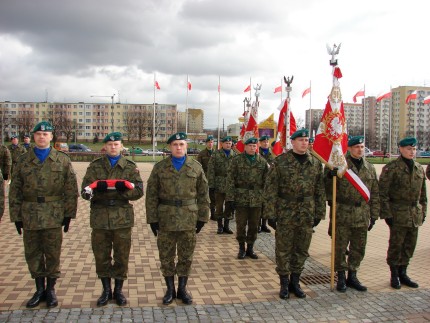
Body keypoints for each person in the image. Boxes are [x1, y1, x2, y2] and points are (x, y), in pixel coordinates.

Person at [9, 121, 78, 308]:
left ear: (51, 137)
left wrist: (68, 214)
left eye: (45, 134)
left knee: (53, 253)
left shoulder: (62, 160)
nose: (41, 137)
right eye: (38, 133)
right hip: (30, 213)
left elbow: (71, 189)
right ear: (33, 136)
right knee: (33, 253)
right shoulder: (23, 160)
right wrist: (16, 217)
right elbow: (15, 190)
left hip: (54, 213)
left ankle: (51, 290)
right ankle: (39, 289)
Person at [146, 132, 209, 305]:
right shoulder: (160, 168)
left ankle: (182, 289)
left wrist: (203, 217)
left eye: (181, 144)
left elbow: (204, 194)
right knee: (166, 255)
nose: (178, 147)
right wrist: (152, 219)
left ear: (186, 146)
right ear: (169, 147)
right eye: (175, 145)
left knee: (186, 255)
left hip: (189, 218)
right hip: (166, 218)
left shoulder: (196, 167)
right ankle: (170, 289)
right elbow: (151, 194)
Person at [81, 132, 144, 306]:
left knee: (121, 256)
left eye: (116, 144)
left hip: (122, 218)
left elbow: (139, 191)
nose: (113, 147)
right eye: (110, 144)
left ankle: (118, 290)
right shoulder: (94, 167)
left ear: (121, 146)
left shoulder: (130, 166)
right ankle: (106, 290)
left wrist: (124, 190)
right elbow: (84, 192)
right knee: (101, 255)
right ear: (105, 147)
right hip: (100, 217)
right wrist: (97, 190)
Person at [263, 129, 325, 299]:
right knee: (283, 249)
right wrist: (270, 214)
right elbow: (270, 190)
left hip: (307, 212)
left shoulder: (315, 163)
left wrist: (319, 213)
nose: (305, 143)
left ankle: (295, 282)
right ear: (293, 142)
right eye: (301, 140)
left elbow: (320, 190)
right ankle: (284, 283)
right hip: (285, 212)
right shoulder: (280, 162)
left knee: (302, 248)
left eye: (306, 140)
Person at [324, 136, 380, 293]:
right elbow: (327, 188)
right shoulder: (339, 165)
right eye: (356, 147)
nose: (360, 149)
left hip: (362, 214)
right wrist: (329, 177)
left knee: (358, 247)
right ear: (348, 148)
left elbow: (374, 193)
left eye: (362, 147)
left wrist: (374, 215)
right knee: (340, 247)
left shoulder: (369, 167)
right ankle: (340, 276)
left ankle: (352, 275)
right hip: (343, 213)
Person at [379, 136, 426, 290]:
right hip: (398, 213)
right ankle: (394, 274)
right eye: (409, 149)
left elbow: (423, 195)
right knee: (396, 245)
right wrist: (387, 214)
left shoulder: (419, 168)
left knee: (409, 245)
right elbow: (383, 193)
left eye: (414, 149)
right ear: (400, 149)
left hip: (414, 214)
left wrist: (423, 212)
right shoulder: (392, 168)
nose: (412, 152)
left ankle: (403, 272)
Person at [226, 137, 269, 259]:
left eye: (254, 146)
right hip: (241, 198)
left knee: (254, 225)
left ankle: (250, 247)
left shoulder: (262, 162)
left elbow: (267, 182)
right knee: (241, 224)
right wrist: (230, 199)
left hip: (257, 198)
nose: (252, 148)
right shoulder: (236, 160)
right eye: (250, 146)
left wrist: (265, 199)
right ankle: (241, 248)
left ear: (257, 147)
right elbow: (230, 180)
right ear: (245, 147)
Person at [207, 136, 237, 234]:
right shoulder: (216, 155)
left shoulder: (235, 155)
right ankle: (220, 226)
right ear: (222, 144)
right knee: (219, 206)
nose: (228, 145)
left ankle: (227, 226)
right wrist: (211, 185)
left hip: (231, 185)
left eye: (230, 143)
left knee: (229, 206)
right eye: (226, 143)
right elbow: (211, 170)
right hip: (219, 184)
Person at [258, 135, 275, 233]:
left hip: (268, 184)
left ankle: (264, 224)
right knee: (259, 205)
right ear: (260, 143)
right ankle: (258, 225)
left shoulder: (271, 154)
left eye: (267, 142)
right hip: (259, 183)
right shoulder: (257, 153)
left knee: (266, 205)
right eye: (263, 142)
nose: (265, 143)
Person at [196, 135, 216, 220]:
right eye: (209, 142)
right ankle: (203, 213)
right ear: (206, 143)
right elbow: (198, 167)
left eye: (211, 142)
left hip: (215, 179)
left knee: (213, 197)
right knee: (204, 197)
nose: (210, 144)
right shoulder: (202, 154)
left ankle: (213, 213)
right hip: (205, 179)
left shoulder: (216, 153)